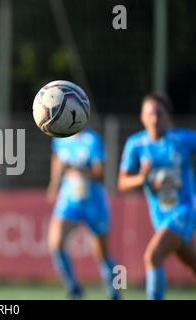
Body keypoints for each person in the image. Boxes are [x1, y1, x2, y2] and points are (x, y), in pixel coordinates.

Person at [118, 93, 196, 300]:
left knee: (153, 256)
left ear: (167, 117)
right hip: (161, 216)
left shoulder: (182, 140)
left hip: (185, 211)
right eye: (150, 114)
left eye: (160, 114)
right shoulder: (136, 145)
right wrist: (142, 178)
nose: (155, 119)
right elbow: (123, 183)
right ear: (142, 117)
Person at [46, 128, 121, 300]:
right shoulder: (59, 139)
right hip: (70, 200)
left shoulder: (92, 140)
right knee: (55, 244)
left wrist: (78, 171)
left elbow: (100, 172)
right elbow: (57, 160)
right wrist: (54, 183)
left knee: (103, 254)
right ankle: (74, 289)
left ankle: (116, 290)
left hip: (94, 202)